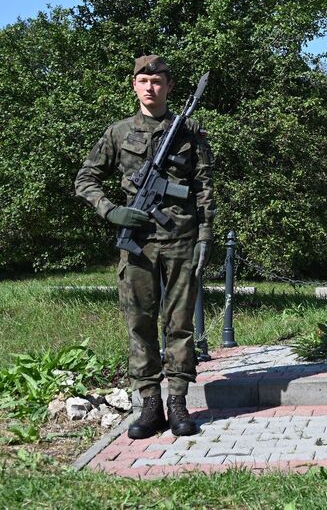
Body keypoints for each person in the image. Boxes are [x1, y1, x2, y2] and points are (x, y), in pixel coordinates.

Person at [75, 55, 215, 438]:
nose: (150, 87)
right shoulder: (119, 133)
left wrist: (205, 236)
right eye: (143, 80)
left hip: (180, 240)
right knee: (140, 324)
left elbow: (203, 187)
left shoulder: (189, 130)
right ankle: (150, 405)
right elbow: (86, 178)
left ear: (168, 86)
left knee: (180, 324)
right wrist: (111, 211)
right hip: (137, 245)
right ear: (134, 85)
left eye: (157, 80)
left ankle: (178, 402)